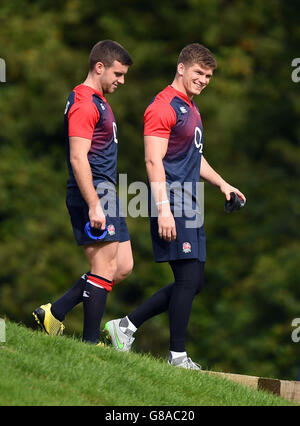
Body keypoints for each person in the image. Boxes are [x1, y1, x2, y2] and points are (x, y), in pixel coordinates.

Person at [104, 43, 246, 368]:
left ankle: (124, 327)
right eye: (199, 72)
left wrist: (222, 183)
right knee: (186, 278)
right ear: (181, 68)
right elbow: (153, 161)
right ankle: (177, 356)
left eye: (208, 75)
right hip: (171, 202)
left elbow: (194, 158)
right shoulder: (162, 106)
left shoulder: (192, 108)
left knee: (194, 282)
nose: (204, 80)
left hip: (191, 203)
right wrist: (163, 208)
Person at [33, 40, 134, 345]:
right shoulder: (84, 101)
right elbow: (79, 157)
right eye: (117, 73)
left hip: (107, 190)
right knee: (103, 267)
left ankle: (55, 311)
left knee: (123, 266)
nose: (122, 80)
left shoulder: (99, 99)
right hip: (92, 192)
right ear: (99, 67)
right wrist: (94, 204)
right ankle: (91, 345)